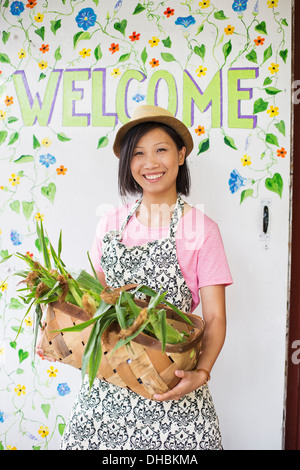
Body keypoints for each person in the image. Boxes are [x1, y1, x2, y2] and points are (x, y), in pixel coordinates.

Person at [38, 105, 233, 450]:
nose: (150, 163)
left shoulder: (202, 229)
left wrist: (200, 374)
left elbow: (215, 317)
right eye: (138, 153)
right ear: (128, 164)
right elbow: (92, 304)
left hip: (170, 387)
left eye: (161, 150)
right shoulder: (110, 224)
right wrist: (60, 335)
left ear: (181, 155)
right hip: (108, 387)